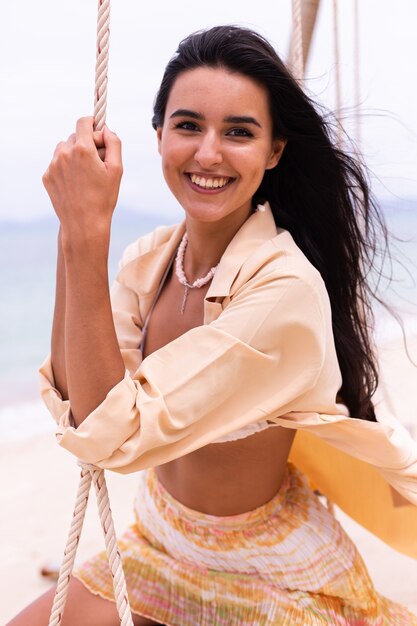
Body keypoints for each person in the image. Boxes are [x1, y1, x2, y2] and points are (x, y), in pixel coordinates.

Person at [8, 25, 417, 626]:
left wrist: (87, 230)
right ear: (159, 135)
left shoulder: (284, 291)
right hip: (163, 539)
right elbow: (76, 400)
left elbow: (113, 436)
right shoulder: (150, 259)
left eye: (239, 133)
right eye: (189, 125)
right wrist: (76, 234)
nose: (208, 153)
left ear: (275, 151)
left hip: (271, 568)